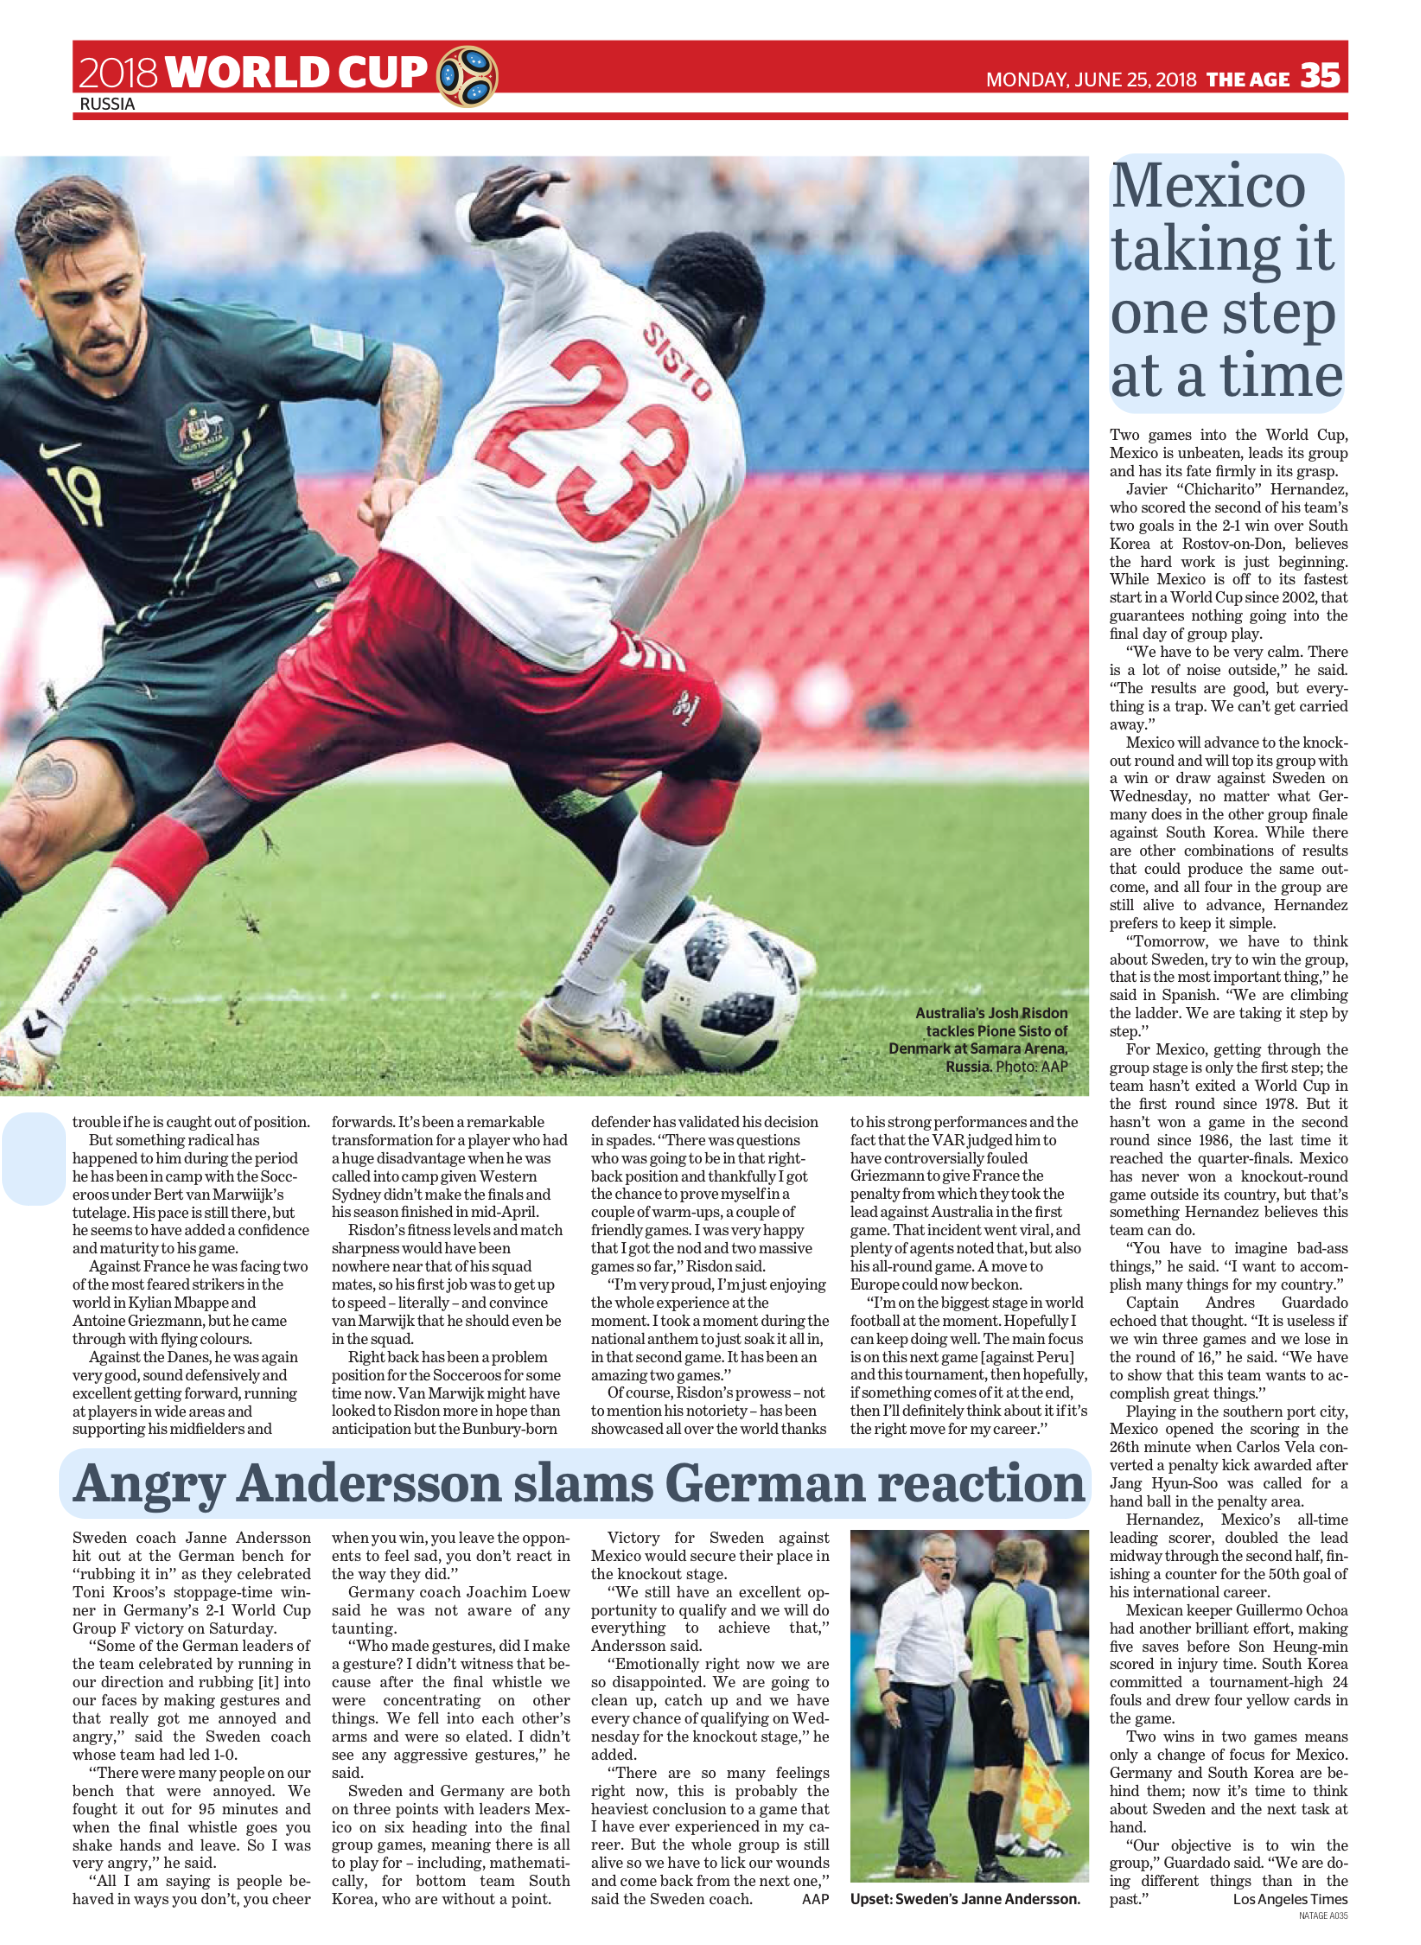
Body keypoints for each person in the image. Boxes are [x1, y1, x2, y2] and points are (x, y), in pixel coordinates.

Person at [0, 164, 812, 1088]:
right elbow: (630, 603)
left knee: (253, 808)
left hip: (337, 610)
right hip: (182, 662)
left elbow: (439, 334)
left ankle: (681, 946)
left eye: (117, 287)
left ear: (142, 264)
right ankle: (609, 986)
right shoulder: (724, 444)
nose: (102, 316)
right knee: (30, 828)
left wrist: (398, 464)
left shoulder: (222, 341)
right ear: (32, 298)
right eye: (74, 301)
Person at [873, 1533, 972, 1881]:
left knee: (931, 1782)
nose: (948, 1566)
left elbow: (958, 1651)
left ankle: (908, 1859)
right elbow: (885, 1647)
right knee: (916, 1779)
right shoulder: (905, 1597)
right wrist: (885, 1692)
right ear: (924, 1563)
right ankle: (924, 1856)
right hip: (913, 1694)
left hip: (945, 1694)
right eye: (940, 1560)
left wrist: (974, 1689)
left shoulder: (956, 1598)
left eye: (952, 1560)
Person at [995, 1536, 1073, 1861]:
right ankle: (1039, 1840)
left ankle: (1002, 1836)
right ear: (1042, 1564)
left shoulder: (1002, 1593)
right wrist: (1063, 1686)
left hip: (1002, 1686)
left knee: (1014, 1766)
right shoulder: (1042, 1594)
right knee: (1048, 1760)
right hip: (1033, 1685)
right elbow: (1047, 1643)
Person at [965, 1536, 1031, 1885]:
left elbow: (969, 1644)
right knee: (996, 1779)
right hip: (1000, 1691)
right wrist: (1019, 1708)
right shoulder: (1011, 1600)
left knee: (979, 1780)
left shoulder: (982, 1597)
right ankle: (988, 1867)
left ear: (993, 1566)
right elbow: (1007, 1654)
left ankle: (984, 1862)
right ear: (1022, 1569)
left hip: (979, 1688)